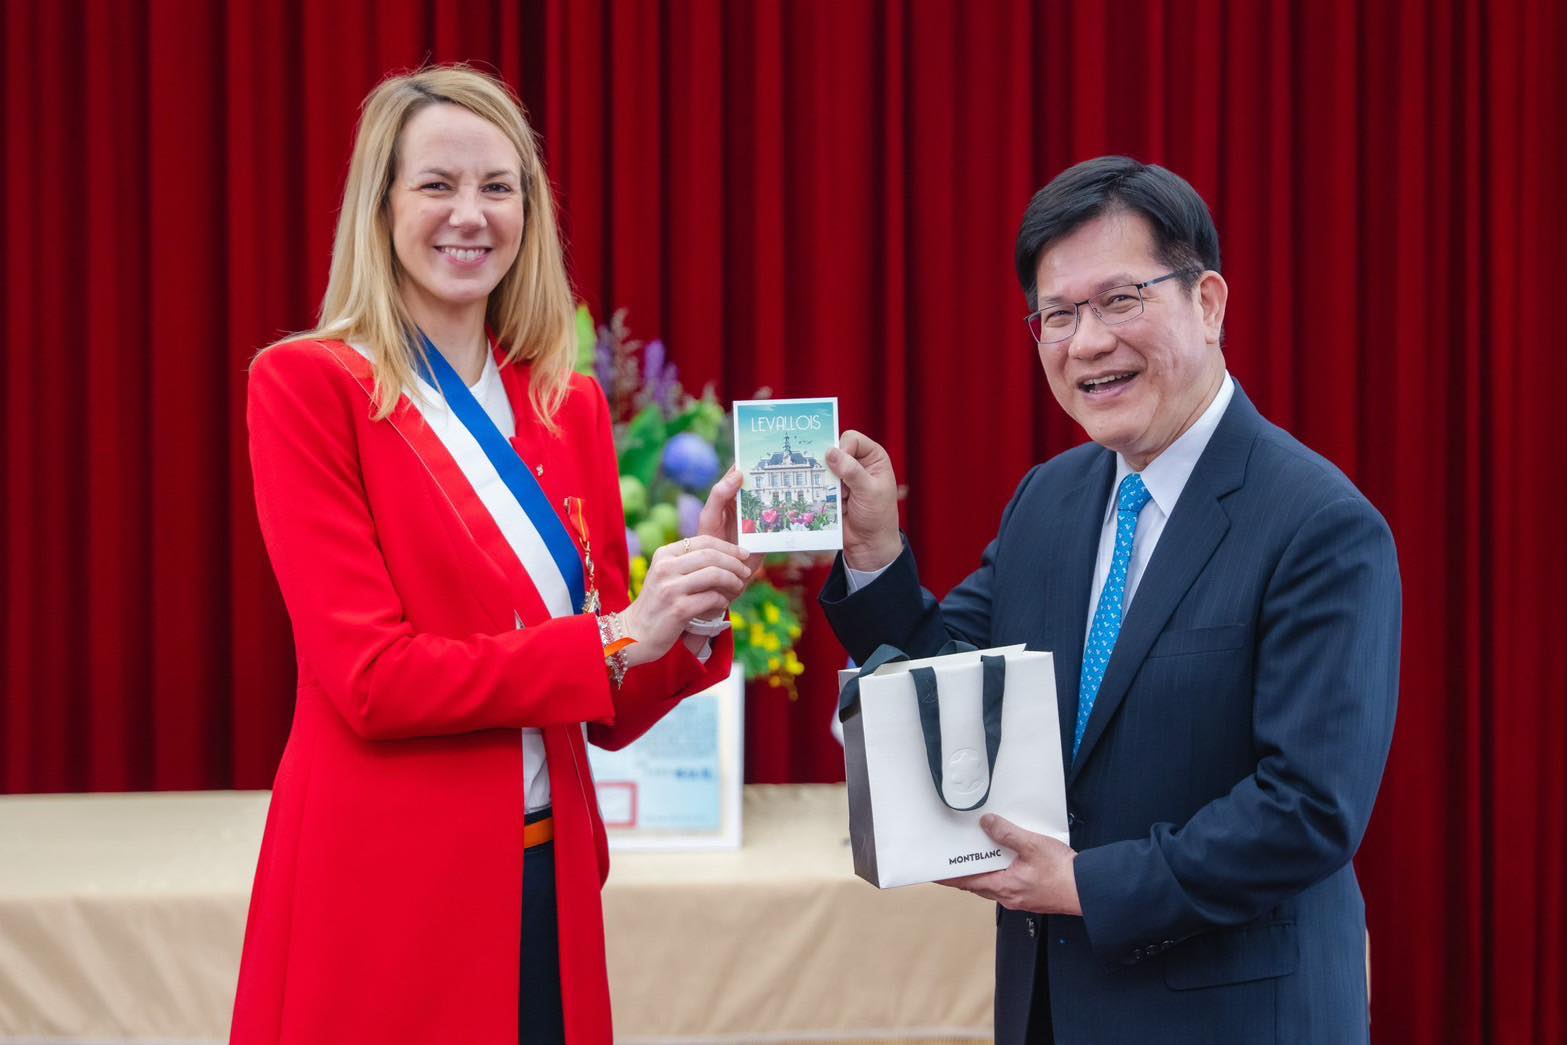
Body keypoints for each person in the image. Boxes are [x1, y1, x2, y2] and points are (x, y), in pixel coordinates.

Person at [231, 65, 756, 1045]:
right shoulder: (308, 386)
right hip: (385, 885)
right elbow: (372, 681)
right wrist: (612, 636)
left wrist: (691, 607)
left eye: (498, 186)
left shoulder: (572, 406)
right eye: (436, 184)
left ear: (530, 210)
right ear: (381, 205)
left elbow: (600, 701)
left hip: (546, 881)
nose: (469, 215)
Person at [821, 156, 1400, 1043]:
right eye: (1058, 314)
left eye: (1120, 299)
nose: (1087, 341)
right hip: (1053, 1006)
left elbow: (1307, 808)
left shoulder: (1318, 524)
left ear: (1207, 304)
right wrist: (874, 552)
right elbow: (947, 682)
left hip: (1238, 1014)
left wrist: (1084, 883)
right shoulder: (1049, 499)